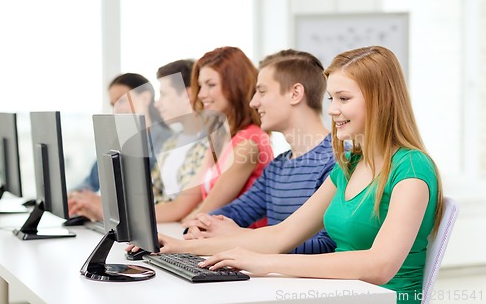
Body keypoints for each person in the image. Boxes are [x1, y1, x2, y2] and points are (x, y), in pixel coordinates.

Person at [157, 46, 444, 304]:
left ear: (380, 100)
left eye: (344, 98)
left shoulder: (412, 168)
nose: (332, 110)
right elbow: (282, 234)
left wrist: (267, 262)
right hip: (340, 294)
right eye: (332, 98)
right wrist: (181, 247)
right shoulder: (351, 164)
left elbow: (380, 265)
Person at [181, 49, 336, 255]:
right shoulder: (278, 166)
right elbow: (236, 211)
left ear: (295, 93)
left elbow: (326, 247)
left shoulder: (336, 163)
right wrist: (201, 225)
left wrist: (239, 237)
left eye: (262, 91)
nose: (253, 102)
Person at [154, 46, 274, 223]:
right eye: (201, 86)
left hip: (239, 245)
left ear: (236, 85)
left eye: (211, 85)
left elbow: (206, 212)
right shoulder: (219, 138)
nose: (201, 94)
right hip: (216, 241)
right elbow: (182, 206)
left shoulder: (248, 143)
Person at [68, 73, 172, 220]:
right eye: (113, 104)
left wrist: (103, 204)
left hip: (154, 221)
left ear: (145, 98)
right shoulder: (118, 143)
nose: (117, 109)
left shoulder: (168, 142)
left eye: (121, 101)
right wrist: (76, 196)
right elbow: (90, 182)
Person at [151, 59, 209, 203]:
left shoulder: (210, 145)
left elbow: (187, 206)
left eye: (163, 94)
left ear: (187, 95)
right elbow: (151, 193)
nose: (157, 104)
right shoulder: (170, 144)